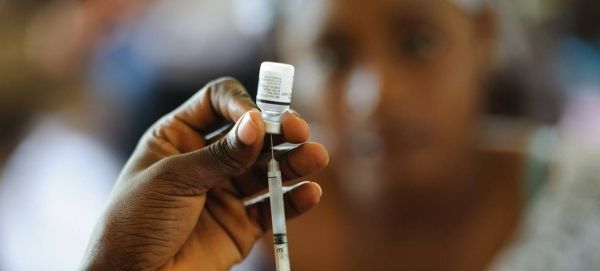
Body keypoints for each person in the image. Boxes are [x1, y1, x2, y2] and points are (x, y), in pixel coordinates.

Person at [271, 0, 599, 271]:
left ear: (484, 36)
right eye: (334, 58)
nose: (376, 97)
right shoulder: (253, 220)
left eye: (419, 43)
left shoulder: (584, 208)